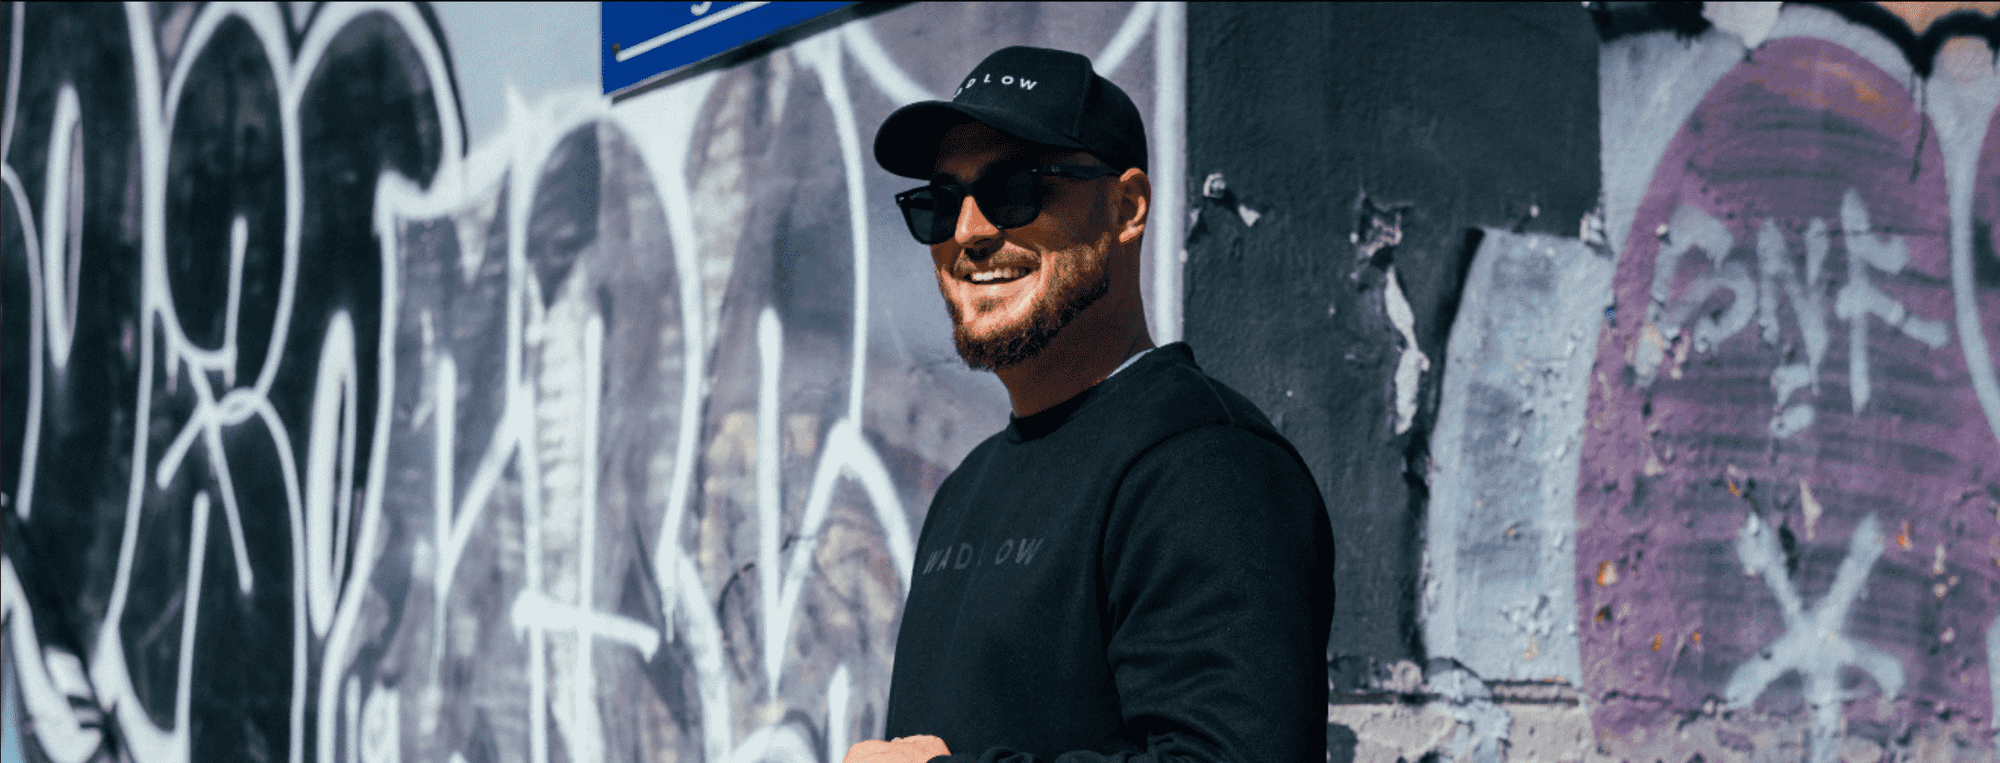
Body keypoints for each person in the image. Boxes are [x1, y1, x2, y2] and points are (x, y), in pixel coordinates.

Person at [844, 46, 1335, 763]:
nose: (971, 232)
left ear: (1127, 207)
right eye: (941, 204)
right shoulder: (965, 489)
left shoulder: (1207, 466)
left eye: (1015, 188)